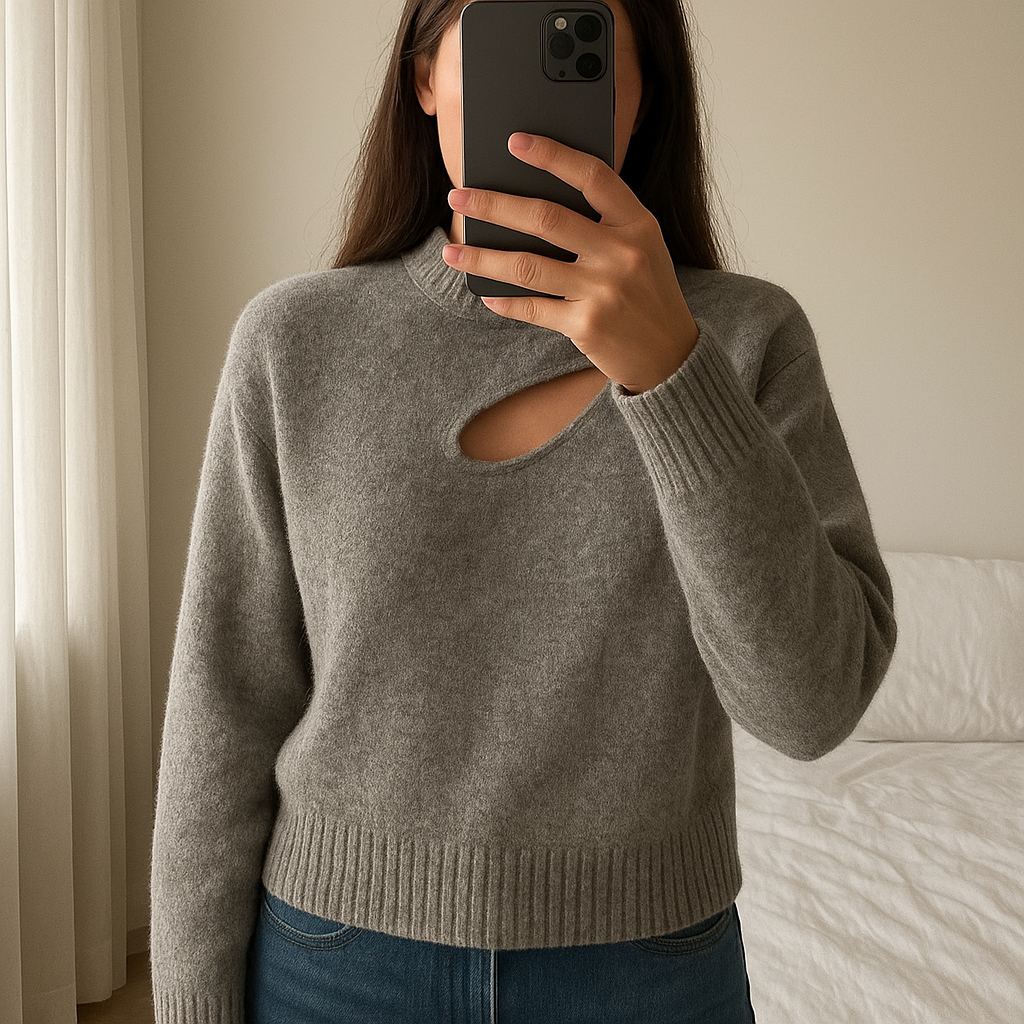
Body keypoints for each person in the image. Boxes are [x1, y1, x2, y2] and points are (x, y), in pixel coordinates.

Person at [149, 0, 897, 1021]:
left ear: (642, 94)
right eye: (505, 31)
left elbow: (809, 708)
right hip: (335, 960)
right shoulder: (295, 342)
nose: (541, 92)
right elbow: (222, 709)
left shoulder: (747, 339)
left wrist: (672, 375)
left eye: (578, 48)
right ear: (423, 77)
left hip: (645, 968)